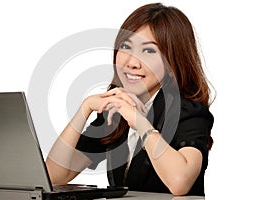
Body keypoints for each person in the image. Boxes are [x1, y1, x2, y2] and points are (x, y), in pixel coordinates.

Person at [46, 3, 214, 196]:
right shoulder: (114, 112)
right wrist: (84, 110)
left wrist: (140, 123)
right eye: (126, 47)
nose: (132, 63)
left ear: (171, 62)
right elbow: (54, 175)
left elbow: (179, 183)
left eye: (149, 51)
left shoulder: (190, 112)